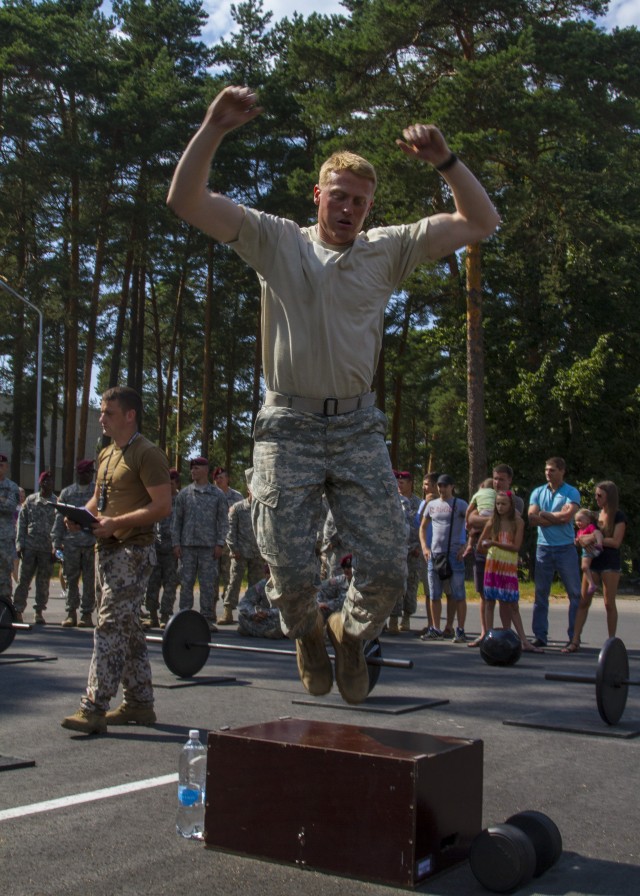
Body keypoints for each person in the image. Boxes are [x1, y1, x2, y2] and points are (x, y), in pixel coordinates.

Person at [167, 84, 499, 704]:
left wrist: (446, 163)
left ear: (370, 208)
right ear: (318, 196)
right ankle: (306, 633)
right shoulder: (276, 240)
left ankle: (349, 631)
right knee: (286, 563)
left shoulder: (388, 250)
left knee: (386, 563)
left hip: (356, 428)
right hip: (287, 425)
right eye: (339, 197)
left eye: (360, 202)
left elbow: (482, 221)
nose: (348, 210)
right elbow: (185, 200)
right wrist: (214, 125)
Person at [61, 386, 171, 734]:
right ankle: (139, 704)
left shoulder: (148, 453)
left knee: (109, 625)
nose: (101, 419)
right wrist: (81, 514)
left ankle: (93, 707)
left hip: (133, 552)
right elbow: (99, 498)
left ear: (129, 415)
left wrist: (115, 524)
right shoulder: (108, 453)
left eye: (108, 413)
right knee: (129, 629)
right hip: (106, 551)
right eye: (101, 412)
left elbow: (161, 507)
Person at [563, 480, 627, 653]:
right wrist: (581, 539)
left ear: (609, 496)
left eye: (600, 495)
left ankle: (611, 641)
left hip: (610, 563)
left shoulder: (618, 516)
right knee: (584, 601)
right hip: (592, 562)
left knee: (609, 603)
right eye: (596, 495)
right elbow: (583, 533)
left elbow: (616, 542)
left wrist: (592, 538)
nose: (596, 498)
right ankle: (575, 640)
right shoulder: (594, 515)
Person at [467, 463, 525, 647]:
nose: (497, 482)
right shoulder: (484, 497)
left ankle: (507, 634)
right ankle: (486, 634)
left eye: (501, 479)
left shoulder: (517, 501)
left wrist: (484, 521)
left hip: (505, 559)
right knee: (485, 595)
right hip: (485, 554)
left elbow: (511, 520)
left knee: (506, 599)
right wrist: (490, 520)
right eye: (495, 478)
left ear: (509, 480)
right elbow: (470, 519)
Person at [479, 491, 543, 653]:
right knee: (489, 601)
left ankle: (524, 640)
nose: (500, 507)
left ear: (511, 505)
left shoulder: (518, 522)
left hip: (508, 566)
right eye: (498, 504)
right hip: (493, 564)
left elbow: (516, 546)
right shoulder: (492, 521)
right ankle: (488, 637)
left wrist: (494, 543)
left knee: (512, 603)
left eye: (504, 504)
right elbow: (480, 545)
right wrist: (487, 546)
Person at [528, 456, 582, 648]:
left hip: (565, 548)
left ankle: (573, 636)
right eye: (546, 469)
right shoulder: (538, 491)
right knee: (541, 593)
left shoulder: (571, 492)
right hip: (543, 547)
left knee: (575, 593)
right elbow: (532, 517)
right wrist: (553, 518)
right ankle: (540, 635)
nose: (548, 473)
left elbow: (567, 517)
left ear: (562, 471)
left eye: (552, 470)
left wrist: (545, 514)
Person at [172, 457, 228, 630]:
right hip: (187, 546)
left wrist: (220, 543)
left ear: (205, 470)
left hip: (209, 547)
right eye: (192, 469)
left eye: (196, 468)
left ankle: (206, 619)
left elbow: (223, 521)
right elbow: (177, 521)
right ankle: (184, 617)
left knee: (208, 585)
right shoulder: (184, 494)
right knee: (186, 584)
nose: (193, 471)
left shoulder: (217, 494)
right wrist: (176, 543)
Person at [419, 474, 469, 642]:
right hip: (435, 555)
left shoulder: (460, 504)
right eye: (439, 486)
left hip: (454, 555)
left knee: (458, 594)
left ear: (452, 487)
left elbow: (472, 525)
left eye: (445, 486)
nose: (441, 489)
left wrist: (466, 546)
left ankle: (460, 629)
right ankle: (435, 628)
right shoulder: (431, 505)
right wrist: (425, 547)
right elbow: (422, 527)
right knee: (434, 594)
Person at [52, 459, 97, 628]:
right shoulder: (67, 493)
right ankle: (71, 612)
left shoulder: (96, 491)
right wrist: (56, 542)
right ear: (80, 473)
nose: (90, 476)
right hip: (71, 544)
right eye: (87, 472)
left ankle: (86, 614)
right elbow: (59, 519)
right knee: (70, 579)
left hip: (91, 543)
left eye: (91, 472)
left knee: (90, 580)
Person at [218, 469, 265, 625]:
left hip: (257, 553)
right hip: (240, 552)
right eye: (253, 490)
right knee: (234, 582)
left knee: (256, 585)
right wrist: (233, 549)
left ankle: (253, 613)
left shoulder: (262, 510)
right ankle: (228, 611)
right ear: (248, 490)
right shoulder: (237, 508)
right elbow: (230, 531)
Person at [13, 471, 57, 624]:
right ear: (40, 483)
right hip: (30, 548)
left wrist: (56, 548)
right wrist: (20, 544)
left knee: (43, 582)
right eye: (46, 481)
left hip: (47, 549)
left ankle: (39, 611)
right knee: (23, 580)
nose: (49, 484)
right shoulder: (31, 500)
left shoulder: (56, 503)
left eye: (51, 481)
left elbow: (58, 528)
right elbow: (22, 523)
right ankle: (17, 609)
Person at [143, 468, 181, 629]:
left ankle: (165, 615)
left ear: (176, 483)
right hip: (155, 547)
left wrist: (178, 545)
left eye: (170, 484)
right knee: (152, 583)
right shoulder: (157, 498)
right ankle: (152, 616)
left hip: (172, 549)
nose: (167, 487)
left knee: (170, 584)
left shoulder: (181, 500)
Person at [389, 471, 422, 633]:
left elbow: (424, 528)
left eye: (403, 481)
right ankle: (393, 619)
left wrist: (419, 547)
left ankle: (407, 617)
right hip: (396, 551)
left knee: (411, 584)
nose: (399, 484)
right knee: (395, 585)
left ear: (411, 483)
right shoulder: (391, 500)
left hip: (413, 550)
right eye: (397, 481)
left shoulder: (419, 503)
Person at [212, 466, 243, 602]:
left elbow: (242, 521)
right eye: (216, 478)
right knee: (211, 577)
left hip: (229, 544)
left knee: (229, 577)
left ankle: (227, 608)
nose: (218, 480)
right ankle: (210, 609)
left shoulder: (237, 497)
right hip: (212, 543)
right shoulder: (209, 495)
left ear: (227, 479)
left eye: (221, 477)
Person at [0, 453, 20, 604]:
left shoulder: (12, 486)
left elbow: (10, 507)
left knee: (5, 573)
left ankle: (6, 609)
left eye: (1, 465)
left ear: (6, 467)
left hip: (5, 539)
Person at [237, 575, 285, 639]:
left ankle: (251, 629)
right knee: (242, 616)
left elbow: (290, 609)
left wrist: (268, 613)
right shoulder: (262, 584)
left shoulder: (287, 585)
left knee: (284, 621)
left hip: (278, 616)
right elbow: (244, 602)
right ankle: (267, 632)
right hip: (264, 618)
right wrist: (253, 614)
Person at [573, 509, 604, 596]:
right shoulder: (579, 532)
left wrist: (590, 538)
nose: (578, 523)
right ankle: (591, 584)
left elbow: (595, 533)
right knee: (584, 567)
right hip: (587, 552)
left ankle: (600, 544)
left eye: (580, 520)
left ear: (588, 520)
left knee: (597, 533)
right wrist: (576, 541)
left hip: (595, 548)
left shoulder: (590, 527)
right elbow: (579, 543)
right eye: (576, 521)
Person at [463, 478, 496, 557]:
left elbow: (468, 510)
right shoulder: (495, 492)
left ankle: (470, 545)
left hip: (483, 512)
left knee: (473, 530)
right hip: (493, 513)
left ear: (482, 486)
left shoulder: (478, 493)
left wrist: (467, 521)